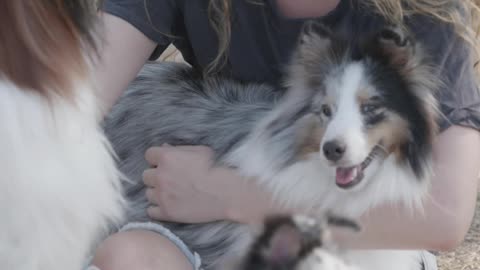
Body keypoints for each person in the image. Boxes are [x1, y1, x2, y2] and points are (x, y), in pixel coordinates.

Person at [89, 1, 480, 270]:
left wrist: (233, 195)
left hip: (371, 239)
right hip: (204, 231)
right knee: (129, 257)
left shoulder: (426, 14)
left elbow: (444, 220)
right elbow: (74, 99)